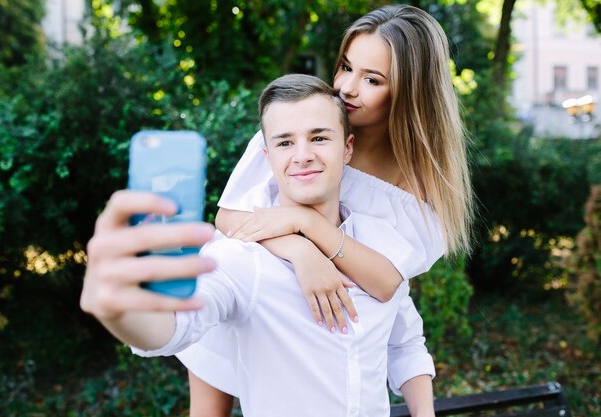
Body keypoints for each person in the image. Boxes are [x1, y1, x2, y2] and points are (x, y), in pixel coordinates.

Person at [80, 73, 435, 417]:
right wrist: (121, 309)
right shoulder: (240, 259)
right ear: (266, 157)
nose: (302, 155)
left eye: (319, 138)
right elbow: (170, 329)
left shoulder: (379, 245)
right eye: (285, 142)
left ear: (347, 149)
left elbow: (404, 343)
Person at [180, 3, 474, 417]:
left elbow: (387, 283)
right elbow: (228, 219)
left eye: (372, 79)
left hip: (327, 325)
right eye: (346, 67)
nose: (347, 88)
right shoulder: (305, 126)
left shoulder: (421, 185)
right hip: (246, 292)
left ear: (409, 92)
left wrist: (305, 224)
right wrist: (300, 252)